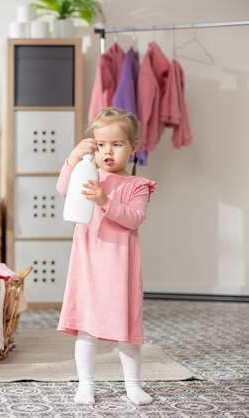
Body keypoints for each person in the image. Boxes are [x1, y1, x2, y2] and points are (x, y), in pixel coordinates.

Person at [56, 107, 156, 405]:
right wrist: (73, 158)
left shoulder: (137, 185)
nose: (107, 151)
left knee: (127, 332)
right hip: (87, 266)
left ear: (133, 147)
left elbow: (134, 218)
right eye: (100, 145)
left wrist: (104, 200)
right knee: (86, 330)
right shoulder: (87, 175)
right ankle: (85, 385)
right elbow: (63, 188)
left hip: (120, 268)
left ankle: (133, 386)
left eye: (117, 144)